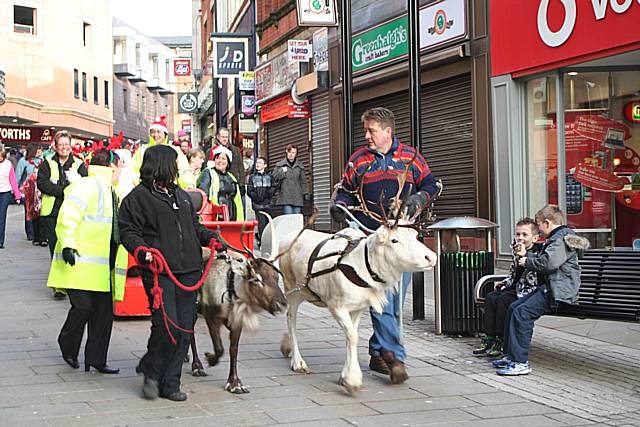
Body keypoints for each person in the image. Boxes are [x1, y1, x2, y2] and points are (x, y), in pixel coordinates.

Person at [331, 107, 439, 384]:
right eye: (365, 130)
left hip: (402, 240)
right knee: (385, 301)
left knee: (391, 302)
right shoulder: (358, 160)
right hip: (372, 240)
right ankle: (395, 358)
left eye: (372, 131)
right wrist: (341, 207)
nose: (366, 136)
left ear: (387, 132)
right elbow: (345, 189)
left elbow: (431, 184)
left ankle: (378, 350)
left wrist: (418, 200)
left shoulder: (411, 157)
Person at [119, 144, 220, 402]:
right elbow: (128, 232)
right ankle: (151, 373)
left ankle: (170, 383)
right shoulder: (137, 198)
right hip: (159, 271)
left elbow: (194, 227)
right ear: (162, 164)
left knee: (185, 329)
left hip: (188, 271)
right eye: (174, 163)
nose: (178, 168)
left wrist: (211, 237)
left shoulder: (181, 196)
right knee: (167, 326)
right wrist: (142, 251)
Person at [47, 149, 127, 374]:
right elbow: (68, 216)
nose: (121, 171)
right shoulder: (86, 186)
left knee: (103, 314)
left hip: (102, 266)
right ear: (111, 167)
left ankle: (96, 359)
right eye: (120, 166)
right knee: (83, 308)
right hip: (80, 262)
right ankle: (68, 346)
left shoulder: (113, 192)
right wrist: (68, 245)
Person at [494, 205, 590, 376]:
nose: (538, 229)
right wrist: (527, 257)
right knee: (514, 308)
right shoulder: (559, 238)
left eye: (539, 225)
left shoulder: (561, 240)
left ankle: (520, 363)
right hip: (550, 287)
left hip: (558, 291)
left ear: (547, 223)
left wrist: (526, 262)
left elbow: (548, 264)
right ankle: (510, 356)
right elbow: (545, 259)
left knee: (522, 313)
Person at [473, 218, 542, 358]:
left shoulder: (538, 253)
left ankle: (501, 338)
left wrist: (525, 257)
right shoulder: (516, 250)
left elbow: (535, 277)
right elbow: (513, 274)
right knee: (492, 297)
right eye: (518, 234)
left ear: (535, 238)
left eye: (524, 234)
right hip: (515, 287)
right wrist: (504, 283)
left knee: (504, 300)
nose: (520, 238)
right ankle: (489, 336)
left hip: (528, 290)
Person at [37, 131, 88, 298]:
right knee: (54, 247)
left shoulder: (79, 164)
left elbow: (84, 184)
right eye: (61, 145)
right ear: (55, 146)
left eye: (67, 144)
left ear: (70, 145)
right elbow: (42, 184)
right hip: (52, 211)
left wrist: (63, 190)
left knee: (70, 245)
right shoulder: (47, 163)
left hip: (72, 212)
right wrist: (64, 190)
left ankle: (71, 281)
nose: (64, 148)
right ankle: (59, 285)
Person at [131, 116, 191, 189]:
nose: (155, 135)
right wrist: (139, 187)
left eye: (158, 132)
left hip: (169, 191)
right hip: (148, 191)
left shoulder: (175, 150)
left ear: (165, 134)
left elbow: (184, 170)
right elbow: (134, 171)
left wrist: (188, 185)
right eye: (153, 132)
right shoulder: (142, 150)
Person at [198, 146, 244, 221]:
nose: (220, 161)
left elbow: (238, 201)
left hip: (232, 218)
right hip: (214, 218)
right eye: (218, 158)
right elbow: (203, 195)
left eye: (223, 158)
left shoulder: (232, 178)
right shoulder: (208, 173)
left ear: (228, 163)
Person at [15, 143, 44, 241]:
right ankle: (30, 233)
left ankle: (38, 233)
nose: (40, 151)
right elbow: (17, 176)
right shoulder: (23, 161)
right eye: (38, 149)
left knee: (39, 211)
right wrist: (16, 192)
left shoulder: (42, 161)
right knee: (29, 210)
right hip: (28, 190)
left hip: (40, 190)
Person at [207, 127, 245, 199]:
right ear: (218, 137)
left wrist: (242, 183)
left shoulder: (235, 150)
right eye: (223, 137)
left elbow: (241, 167)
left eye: (226, 137)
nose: (225, 139)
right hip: (218, 185)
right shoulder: (211, 151)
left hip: (234, 182)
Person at [272, 144, 309, 214]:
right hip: (285, 196)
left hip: (297, 196)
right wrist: (282, 171)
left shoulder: (300, 166)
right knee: (288, 217)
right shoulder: (280, 164)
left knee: (296, 218)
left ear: (296, 153)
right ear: (286, 152)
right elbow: (274, 177)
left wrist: (306, 193)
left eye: (293, 153)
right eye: (289, 152)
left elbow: (303, 181)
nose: (291, 154)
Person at [247, 156, 276, 246]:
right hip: (258, 204)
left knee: (269, 224)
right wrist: (256, 197)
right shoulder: (252, 177)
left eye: (260, 163)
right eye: (257, 163)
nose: (257, 164)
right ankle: (262, 241)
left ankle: (267, 241)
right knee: (261, 224)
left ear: (265, 165)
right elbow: (250, 190)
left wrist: (268, 195)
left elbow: (274, 187)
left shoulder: (270, 176)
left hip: (268, 204)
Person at [0, 149, 23, 249]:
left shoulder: (8, 164)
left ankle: (0, 241)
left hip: (5, 192)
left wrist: (17, 196)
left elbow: (13, 180)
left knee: (1, 216)